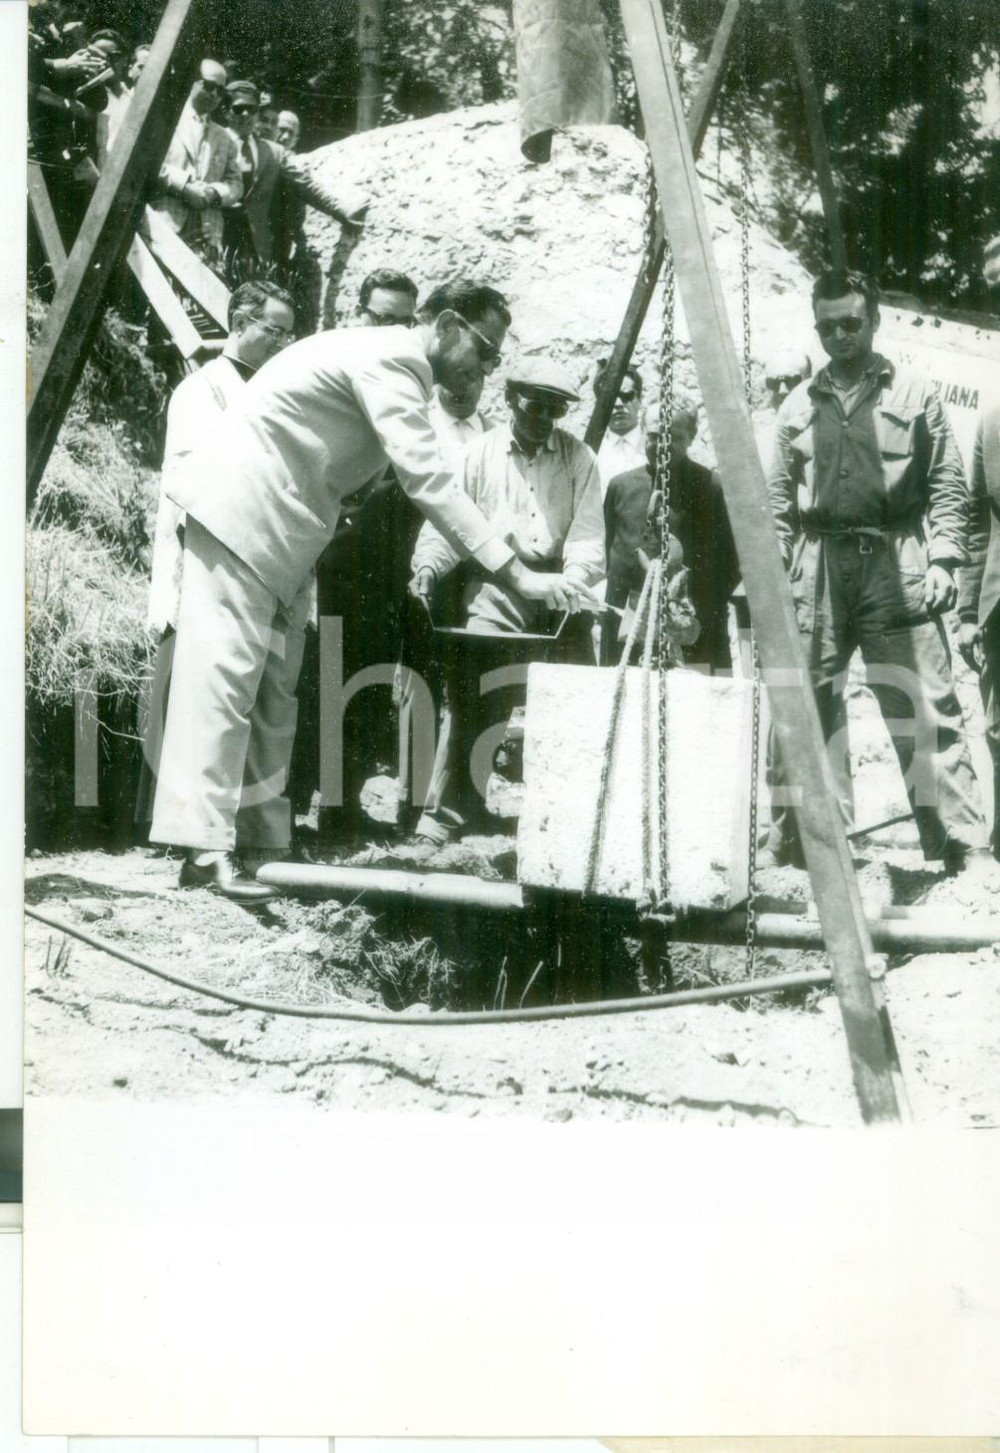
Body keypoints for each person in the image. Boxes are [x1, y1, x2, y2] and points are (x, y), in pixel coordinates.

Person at [150, 281, 584, 898]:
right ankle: (202, 848)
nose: (487, 367)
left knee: (276, 686)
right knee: (224, 680)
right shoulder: (393, 359)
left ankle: (264, 843)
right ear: (451, 324)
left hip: (288, 531)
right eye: (486, 351)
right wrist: (514, 571)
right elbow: (428, 478)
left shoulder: (392, 365)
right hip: (242, 516)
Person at [765, 267, 993, 880]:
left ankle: (961, 844)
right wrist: (772, 579)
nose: (839, 335)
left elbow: (949, 485)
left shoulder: (915, 393)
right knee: (805, 701)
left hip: (897, 561)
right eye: (826, 326)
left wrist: (945, 558)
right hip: (817, 565)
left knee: (922, 702)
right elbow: (778, 501)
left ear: (874, 321)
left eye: (851, 323)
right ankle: (804, 843)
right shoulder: (797, 404)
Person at [410, 358, 604, 844]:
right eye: (534, 406)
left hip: (558, 589)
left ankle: (565, 820)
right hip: (496, 584)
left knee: (573, 701)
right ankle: (448, 812)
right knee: (477, 696)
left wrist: (573, 581)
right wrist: (428, 566)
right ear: (512, 399)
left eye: (553, 410)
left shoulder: (578, 459)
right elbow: (450, 523)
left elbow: (587, 536)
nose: (542, 419)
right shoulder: (478, 454)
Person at [137, 282, 297, 845]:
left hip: (277, 554)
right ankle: (198, 837)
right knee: (210, 699)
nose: (282, 342)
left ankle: (261, 834)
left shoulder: (288, 390)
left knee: (272, 699)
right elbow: (192, 479)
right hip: (216, 550)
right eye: (272, 330)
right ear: (239, 323)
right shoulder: (202, 390)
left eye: (288, 333)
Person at [288, 270, 421, 840]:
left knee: (366, 691)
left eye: (402, 321)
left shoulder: (411, 382)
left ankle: (345, 807)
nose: (390, 330)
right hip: (331, 561)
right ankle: (296, 807)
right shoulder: (332, 368)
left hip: (382, 569)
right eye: (380, 317)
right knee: (316, 685)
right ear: (357, 312)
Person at [602, 403, 706, 667]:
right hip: (626, 621)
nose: (662, 444)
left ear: (692, 437)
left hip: (685, 619)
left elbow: (725, 561)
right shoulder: (620, 486)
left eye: (674, 437)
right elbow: (606, 547)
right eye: (654, 436)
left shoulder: (710, 487)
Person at [223, 80, 365, 274]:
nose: (246, 115)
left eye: (252, 110)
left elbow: (305, 185)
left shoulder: (274, 152)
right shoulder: (216, 140)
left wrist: (341, 210)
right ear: (227, 111)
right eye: (239, 109)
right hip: (218, 239)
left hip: (255, 249)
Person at [957, 403, 1000, 859]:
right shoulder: (992, 421)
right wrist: (968, 612)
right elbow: (976, 520)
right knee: (999, 730)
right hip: (999, 605)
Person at [150, 59, 242, 269]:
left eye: (220, 91)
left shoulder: (224, 137)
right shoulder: (165, 119)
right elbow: (148, 163)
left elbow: (236, 183)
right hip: (165, 223)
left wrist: (214, 193)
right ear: (192, 82)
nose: (214, 95)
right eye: (208, 86)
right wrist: (184, 186)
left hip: (207, 233)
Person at [593, 362, 646, 496]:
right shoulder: (591, 453)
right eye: (611, 398)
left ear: (639, 400)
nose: (618, 404)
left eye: (627, 396)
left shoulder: (653, 448)